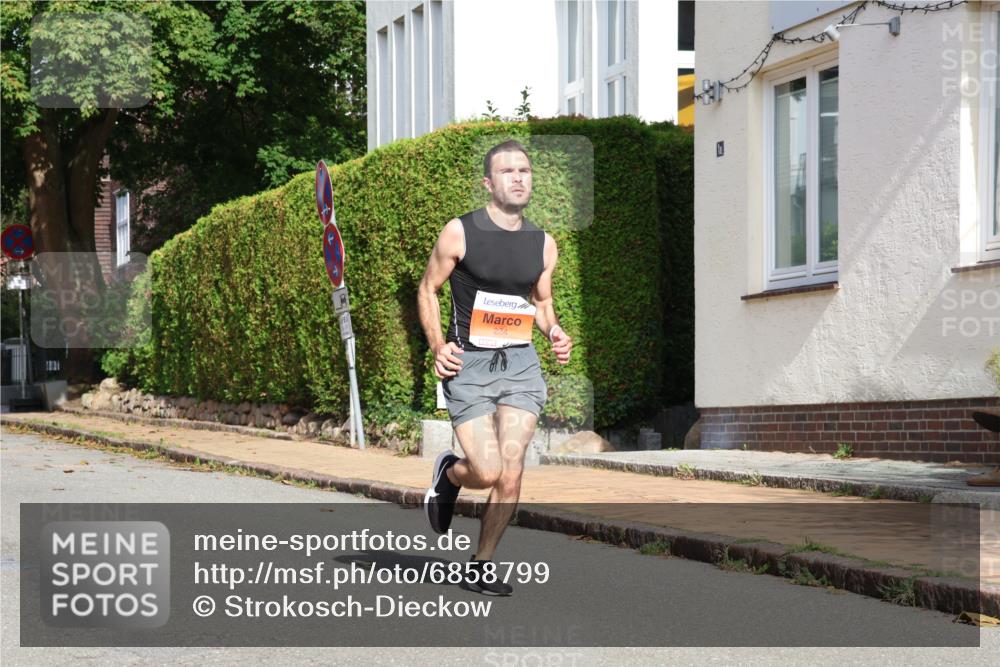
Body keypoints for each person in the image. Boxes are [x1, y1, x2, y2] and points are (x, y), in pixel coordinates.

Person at [417, 140, 572, 596]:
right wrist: (438, 345)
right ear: (488, 183)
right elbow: (427, 290)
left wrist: (555, 331)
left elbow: (542, 302)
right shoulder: (460, 233)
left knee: (511, 469)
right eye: (507, 171)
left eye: (524, 170)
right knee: (485, 471)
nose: (518, 178)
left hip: (520, 364)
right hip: (468, 364)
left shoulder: (543, 244)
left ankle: (480, 564)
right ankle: (451, 474)